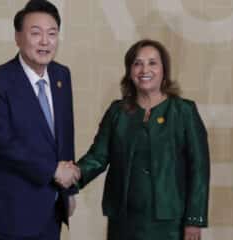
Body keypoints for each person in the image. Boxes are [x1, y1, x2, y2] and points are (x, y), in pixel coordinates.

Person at [76, 39, 210, 240]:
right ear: (130, 72)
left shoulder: (184, 112)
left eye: (152, 63)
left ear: (164, 70)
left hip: (170, 223)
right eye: (137, 63)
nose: (144, 69)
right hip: (124, 221)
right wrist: (72, 176)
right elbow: (98, 157)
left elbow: (199, 168)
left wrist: (194, 220)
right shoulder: (117, 112)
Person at [0, 1, 80, 239]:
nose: (45, 41)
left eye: (52, 34)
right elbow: (0, 144)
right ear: (18, 37)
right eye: (35, 33)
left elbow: (64, 137)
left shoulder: (62, 75)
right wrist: (53, 170)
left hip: (50, 208)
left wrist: (68, 191)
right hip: (7, 212)